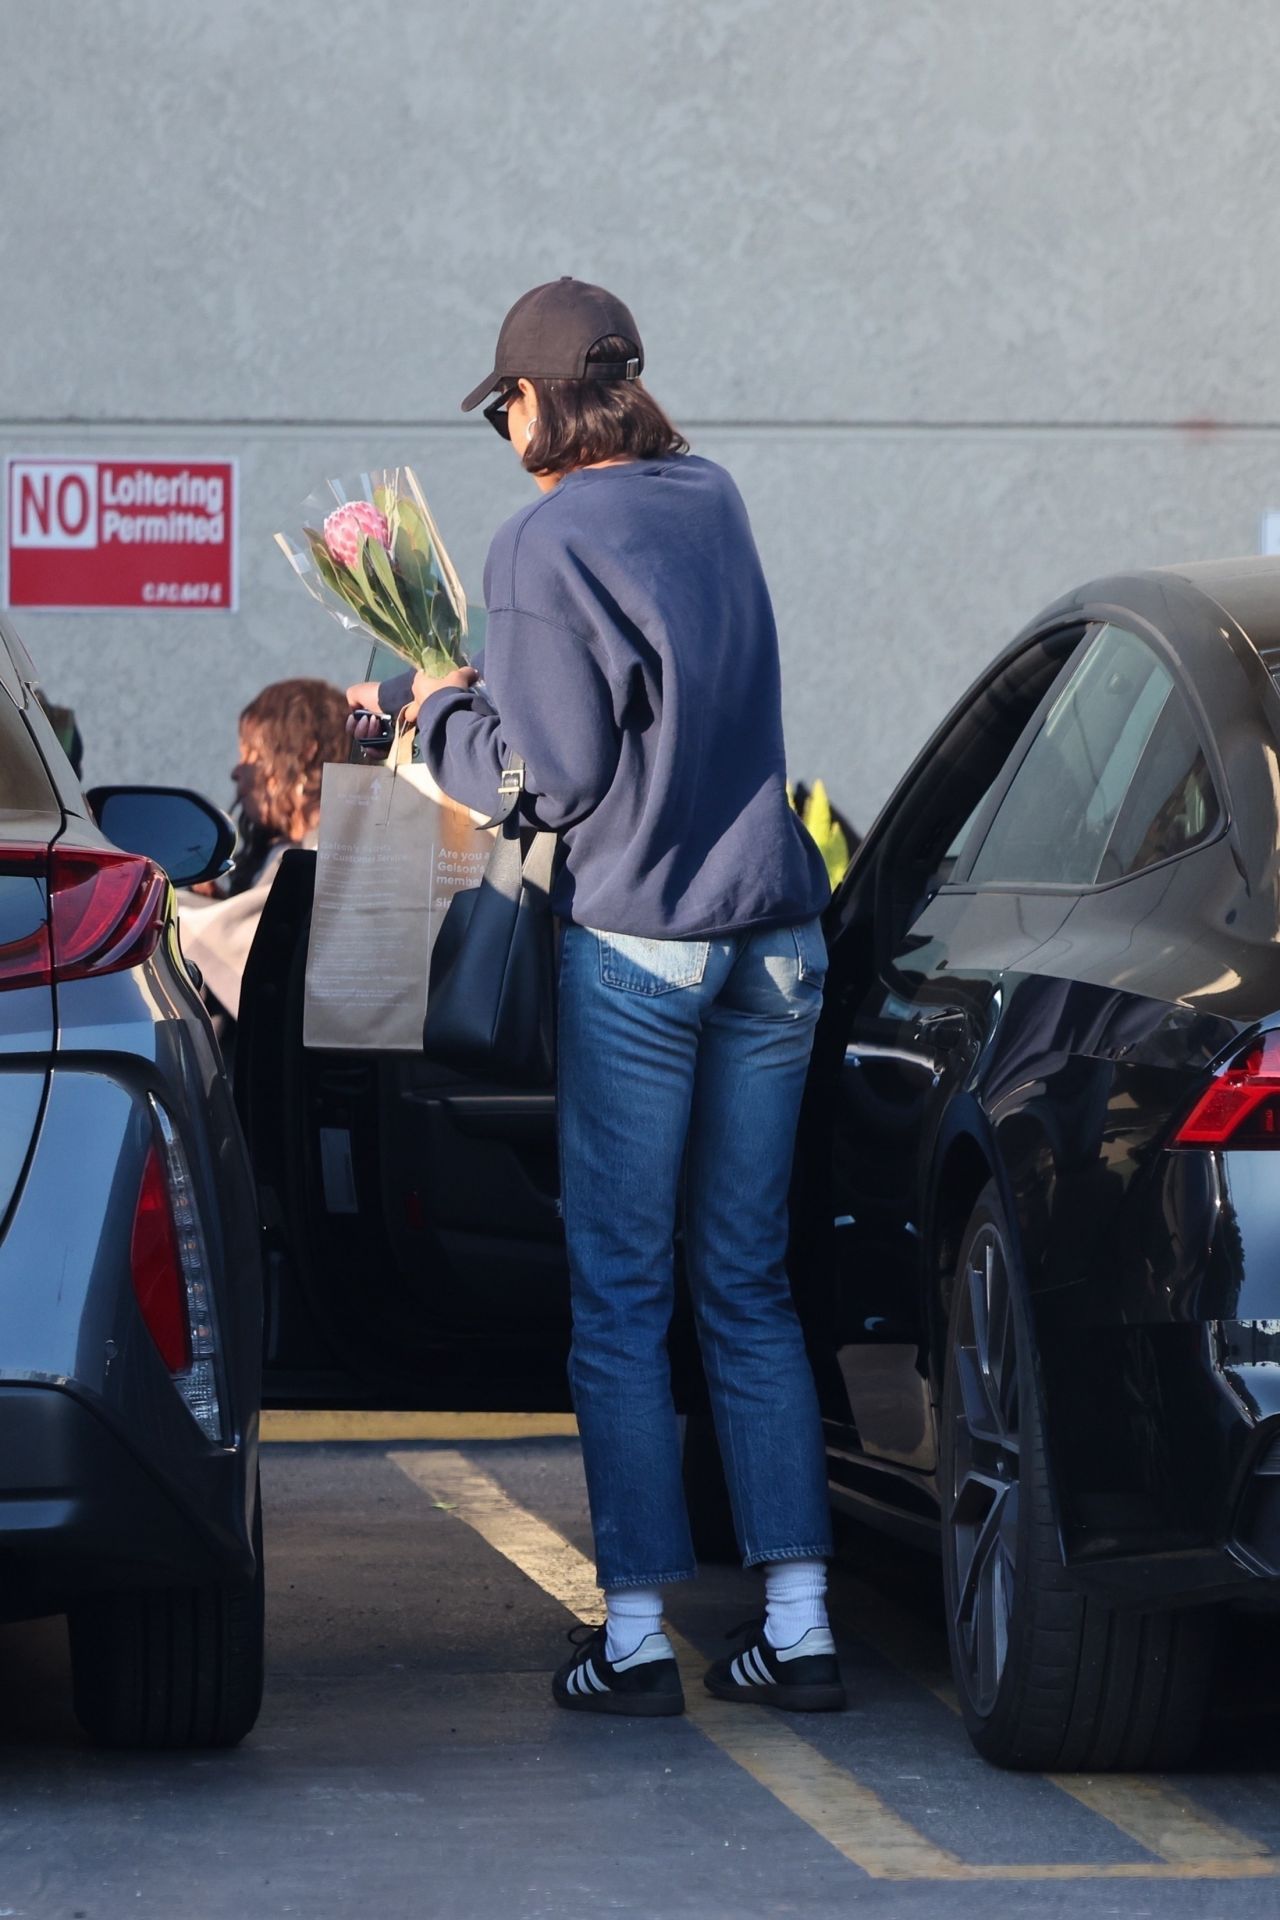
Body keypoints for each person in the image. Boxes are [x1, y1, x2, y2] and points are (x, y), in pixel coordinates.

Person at [347, 278, 843, 1717]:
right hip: (778, 937)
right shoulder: (715, 496)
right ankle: (798, 1627)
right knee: (746, 1285)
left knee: (622, 1298)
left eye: (503, 399)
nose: (502, 422)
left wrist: (435, 703)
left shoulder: (542, 536)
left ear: (548, 400)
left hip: (645, 940)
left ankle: (633, 1643)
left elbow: (548, 779)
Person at [180, 678, 349, 1026]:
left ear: (304, 755)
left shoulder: (325, 854)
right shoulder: (288, 849)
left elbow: (246, 946)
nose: (236, 771)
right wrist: (221, 903)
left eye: (251, 755)